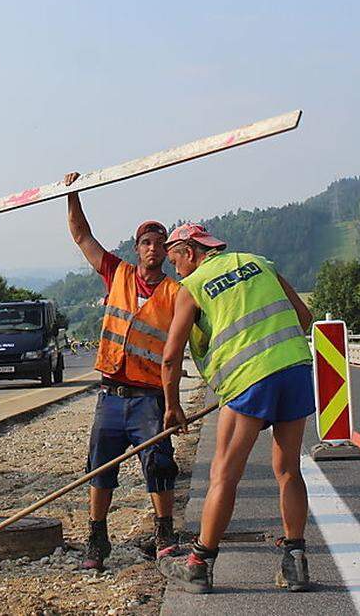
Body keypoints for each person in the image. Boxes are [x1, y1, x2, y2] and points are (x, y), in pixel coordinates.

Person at [155, 223, 315, 594]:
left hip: (249, 380)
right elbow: (304, 318)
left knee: (225, 473)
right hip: (293, 369)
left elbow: (170, 357)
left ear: (190, 251)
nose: (173, 267)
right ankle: (296, 564)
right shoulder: (260, 263)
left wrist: (172, 406)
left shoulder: (192, 287)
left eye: (174, 258)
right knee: (288, 469)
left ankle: (199, 565)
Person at [63, 171, 181, 571]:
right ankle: (97, 539)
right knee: (100, 468)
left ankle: (165, 533)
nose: (153, 248)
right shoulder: (117, 274)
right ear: (137, 248)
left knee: (160, 465)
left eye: (160, 243)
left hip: (150, 397)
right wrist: (72, 194)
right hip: (111, 395)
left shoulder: (177, 293)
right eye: (146, 242)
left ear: (166, 251)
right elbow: (81, 237)